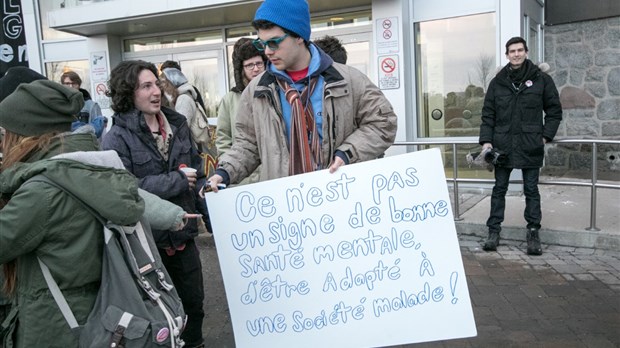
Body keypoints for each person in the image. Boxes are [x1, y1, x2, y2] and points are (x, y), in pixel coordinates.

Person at [0, 68, 197, 348]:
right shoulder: (93, 166)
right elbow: (139, 198)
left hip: (53, 324)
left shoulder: (40, 192)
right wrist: (175, 215)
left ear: (23, 136)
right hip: (99, 317)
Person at [206, 0, 397, 191]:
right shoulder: (255, 91)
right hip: (286, 203)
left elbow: (383, 123)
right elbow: (247, 145)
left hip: (340, 196)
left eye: (274, 42)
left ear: (299, 36)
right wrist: (224, 172)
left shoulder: (349, 80)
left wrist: (347, 153)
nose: (267, 52)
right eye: (262, 44)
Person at [102, 60, 206, 348]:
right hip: (146, 249)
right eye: (146, 86)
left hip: (184, 239)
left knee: (194, 307)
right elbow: (122, 191)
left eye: (156, 84)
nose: (155, 91)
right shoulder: (115, 139)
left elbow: (199, 175)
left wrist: (214, 219)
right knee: (158, 319)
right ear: (128, 93)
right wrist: (174, 181)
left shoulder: (178, 125)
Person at [479, 36, 562, 255]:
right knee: (499, 190)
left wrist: (544, 137)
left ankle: (533, 233)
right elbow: (488, 114)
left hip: (530, 144)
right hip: (503, 145)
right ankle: (493, 232)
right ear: (507, 55)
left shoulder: (541, 79)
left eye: (519, 50)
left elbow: (554, 111)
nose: (516, 54)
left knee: (532, 190)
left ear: (526, 52)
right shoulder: (498, 82)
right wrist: (486, 141)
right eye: (511, 51)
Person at [216, 37, 267, 185]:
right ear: (242, 69)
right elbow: (223, 138)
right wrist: (230, 169)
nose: (255, 69)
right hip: (241, 178)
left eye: (258, 63)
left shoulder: (275, 93)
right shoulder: (229, 100)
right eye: (249, 65)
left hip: (270, 175)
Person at [60, 70, 107, 139]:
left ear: (79, 85)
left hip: (87, 145)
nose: (70, 86)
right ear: (62, 85)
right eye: (67, 83)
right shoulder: (58, 105)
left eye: (74, 83)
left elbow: (99, 133)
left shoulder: (92, 106)